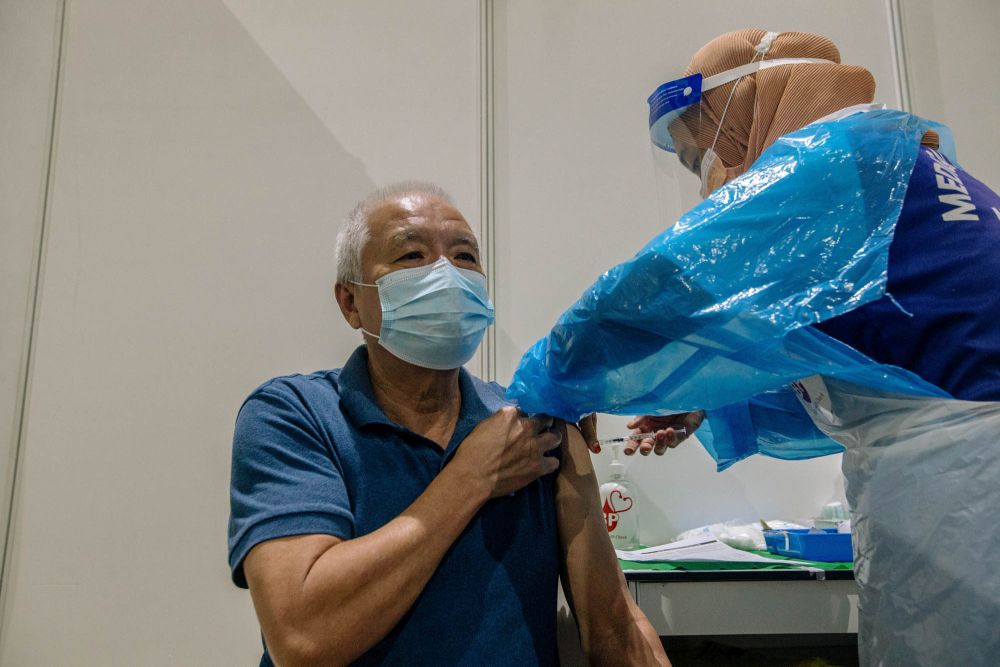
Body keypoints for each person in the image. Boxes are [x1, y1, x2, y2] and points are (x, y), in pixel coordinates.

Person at [570, 29, 1000, 666]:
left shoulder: (831, 158)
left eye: (704, 152)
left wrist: (548, 385)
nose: (707, 178)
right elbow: (889, 392)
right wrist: (716, 406)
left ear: (750, 106)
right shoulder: (896, 165)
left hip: (970, 503)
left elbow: (653, 296)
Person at [227, 182, 669, 666]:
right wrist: (471, 477)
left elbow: (614, 628)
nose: (447, 277)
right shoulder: (294, 415)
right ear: (351, 302)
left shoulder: (534, 427)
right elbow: (302, 638)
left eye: (464, 257)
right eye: (412, 255)